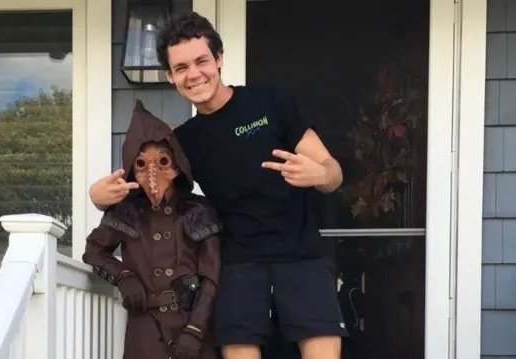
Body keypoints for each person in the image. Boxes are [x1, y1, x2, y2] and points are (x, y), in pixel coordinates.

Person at [89, 11, 348, 359]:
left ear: (219, 59)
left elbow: (333, 173)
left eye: (201, 61)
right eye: (181, 68)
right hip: (237, 263)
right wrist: (97, 196)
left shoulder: (272, 101)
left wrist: (320, 176)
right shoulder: (182, 143)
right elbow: (146, 192)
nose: (194, 74)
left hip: (301, 253)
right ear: (170, 76)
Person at [83, 100, 222, 359]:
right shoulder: (127, 211)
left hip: (192, 323)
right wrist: (123, 276)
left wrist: (195, 329)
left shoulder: (200, 210)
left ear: (177, 165)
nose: (152, 173)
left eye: (163, 161)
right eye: (141, 164)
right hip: (145, 327)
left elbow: (211, 276)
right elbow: (94, 250)